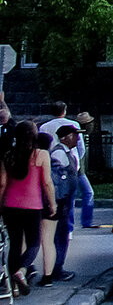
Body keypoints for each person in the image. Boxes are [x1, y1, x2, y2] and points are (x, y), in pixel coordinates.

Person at [2, 120, 55, 295]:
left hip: (10, 205)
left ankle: (13, 288)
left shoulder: (8, 155)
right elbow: (47, 182)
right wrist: (52, 203)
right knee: (33, 243)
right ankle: (22, 271)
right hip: (33, 206)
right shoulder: (41, 155)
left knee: (15, 245)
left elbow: (2, 184)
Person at [44, 120, 82, 285]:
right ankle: (55, 269)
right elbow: (57, 179)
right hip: (61, 201)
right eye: (75, 135)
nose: (77, 139)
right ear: (66, 137)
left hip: (65, 200)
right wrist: (60, 200)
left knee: (62, 235)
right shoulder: (59, 153)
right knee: (60, 236)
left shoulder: (67, 152)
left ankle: (57, 267)